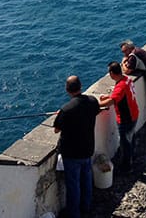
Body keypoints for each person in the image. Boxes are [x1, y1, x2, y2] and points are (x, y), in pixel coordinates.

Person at [53, 75, 100, 218]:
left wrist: (60, 114)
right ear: (80, 86)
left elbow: (56, 129)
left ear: (67, 90)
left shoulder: (66, 109)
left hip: (72, 154)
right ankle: (86, 206)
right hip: (88, 149)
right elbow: (96, 111)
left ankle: (74, 214)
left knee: (73, 185)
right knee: (86, 179)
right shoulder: (92, 101)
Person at [99, 61, 139, 174]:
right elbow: (120, 95)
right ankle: (133, 156)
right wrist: (109, 95)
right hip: (134, 114)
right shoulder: (127, 79)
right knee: (131, 138)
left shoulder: (120, 86)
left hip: (126, 118)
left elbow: (111, 101)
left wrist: (95, 104)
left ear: (112, 73)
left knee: (125, 143)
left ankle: (127, 167)